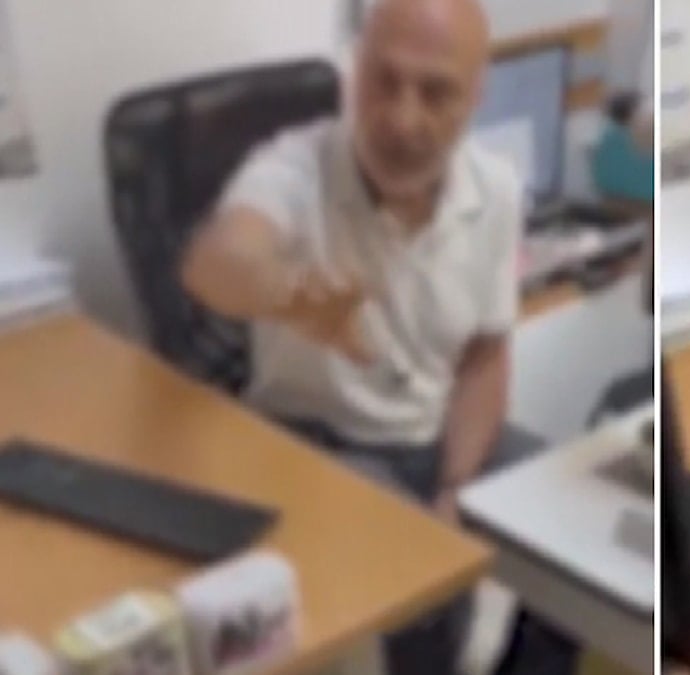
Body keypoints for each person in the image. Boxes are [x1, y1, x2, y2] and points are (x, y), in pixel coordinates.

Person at [180, 0, 577, 672]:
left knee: (569, 523)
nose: (401, 118)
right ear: (354, 71)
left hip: (429, 431)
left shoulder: (497, 190)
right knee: (425, 576)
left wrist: (454, 486)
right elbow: (218, 262)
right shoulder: (294, 166)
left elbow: (484, 356)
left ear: (477, 95)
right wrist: (288, 293)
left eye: (435, 92)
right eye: (383, 81)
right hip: (314, 439)